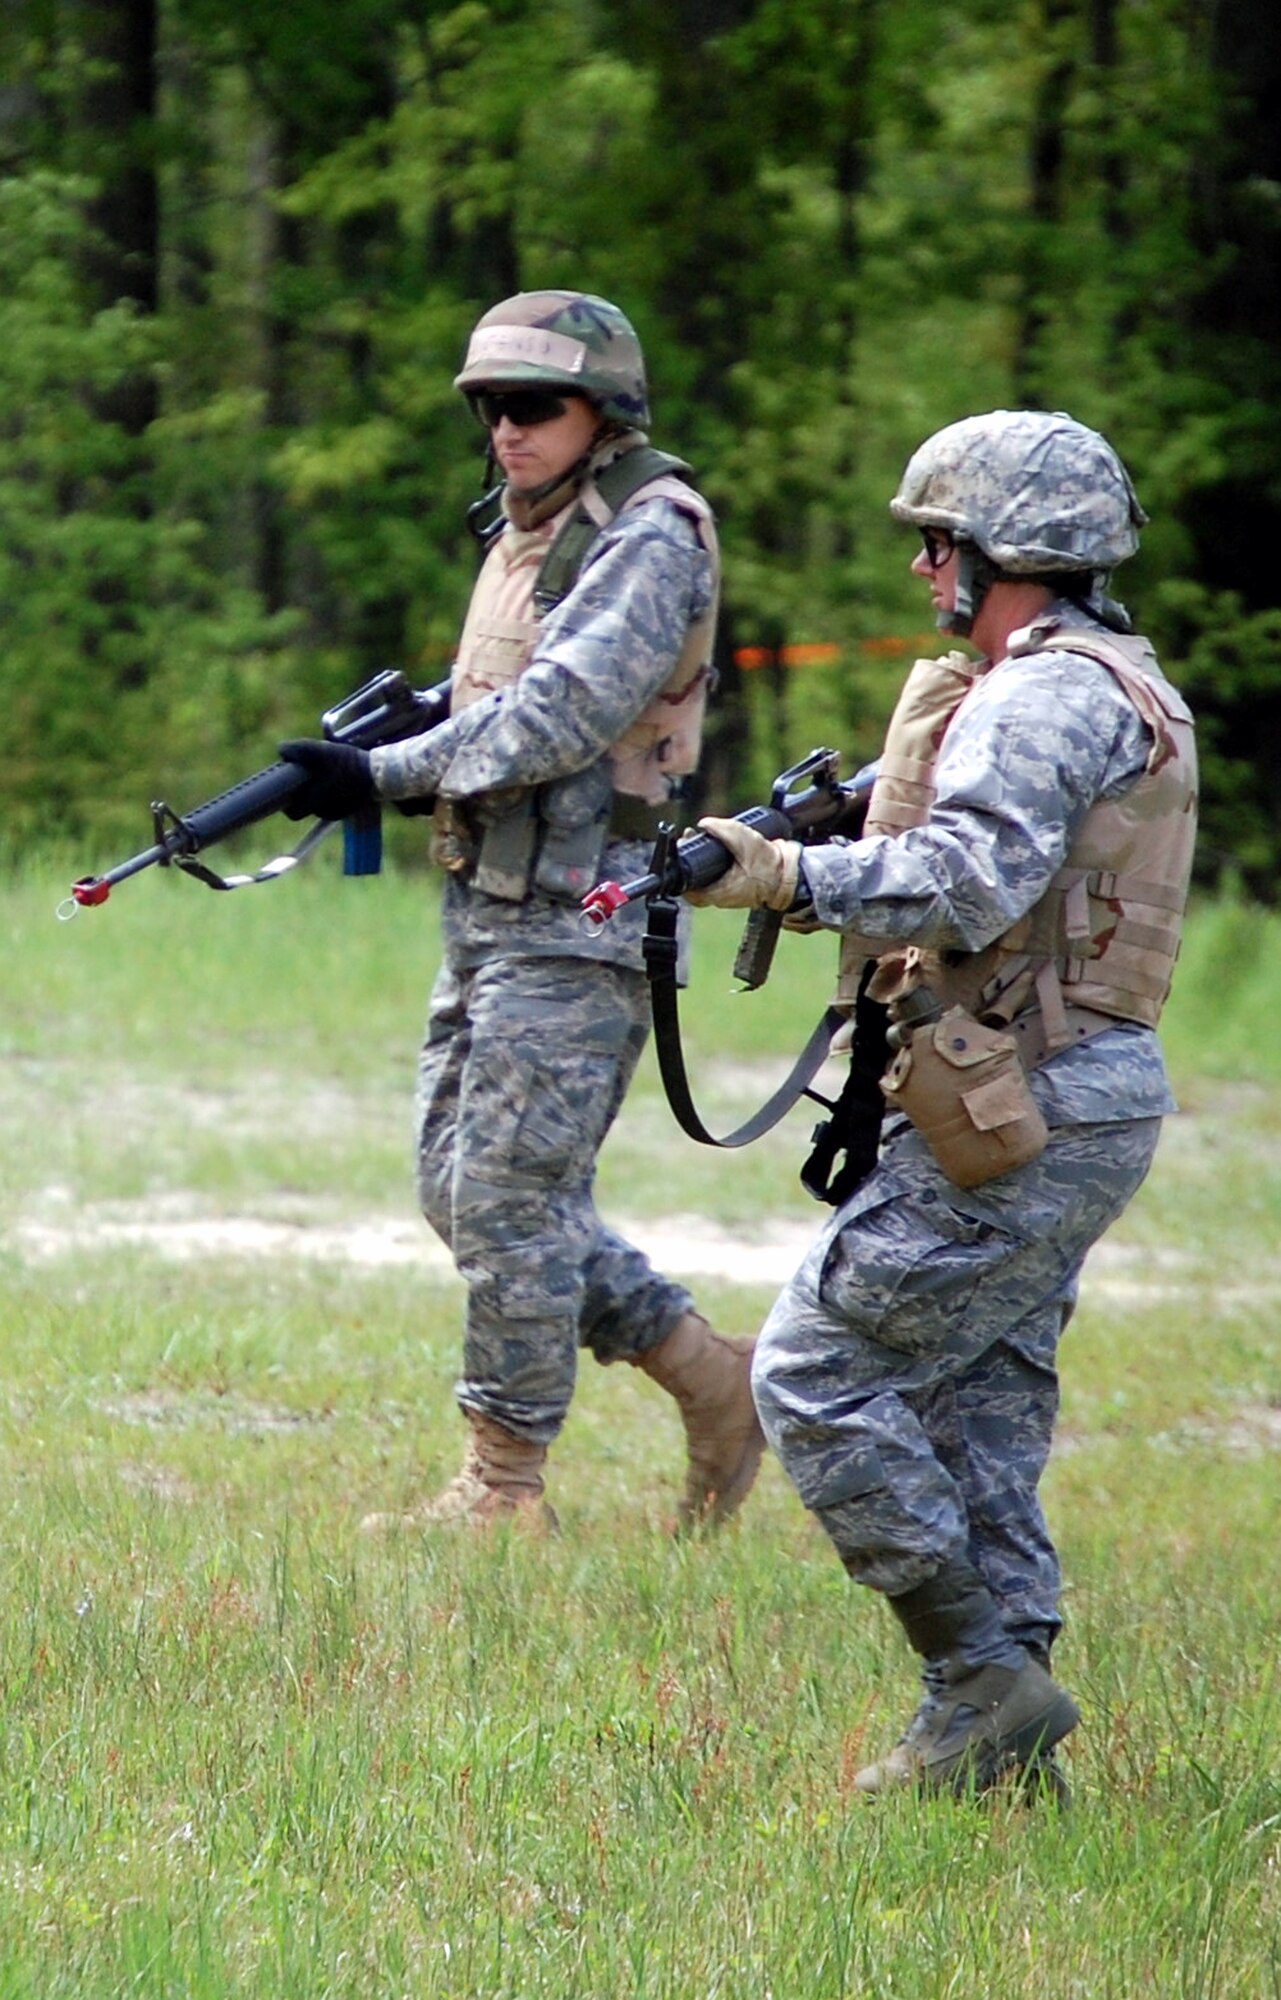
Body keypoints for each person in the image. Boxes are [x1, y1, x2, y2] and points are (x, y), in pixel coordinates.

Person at [687, 410, 1197, 1795]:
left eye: (939, 546)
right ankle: (1004, 1747)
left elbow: (966, 881)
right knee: (980, 1402)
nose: (925, 575)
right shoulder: (1112, 679)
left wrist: (780, 878)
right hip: (1056, 1095)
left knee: (813, 1368)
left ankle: (978, 1679)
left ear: (1004, 552)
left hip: (1024, 1096)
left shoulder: (1046, 694)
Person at [279, 289, 763, 1533]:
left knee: (505, 1200)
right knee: (462, 1190)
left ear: (603, 409)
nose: (506, 428)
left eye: (533, 404)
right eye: (491, 406)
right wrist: (409, 727)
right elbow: (500, 685)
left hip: (585, 909)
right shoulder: (531, 526)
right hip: (492, 901)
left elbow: (563, 713)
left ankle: (503, 1488)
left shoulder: (654, 532)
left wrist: (384, 772)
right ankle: (712, 1377)